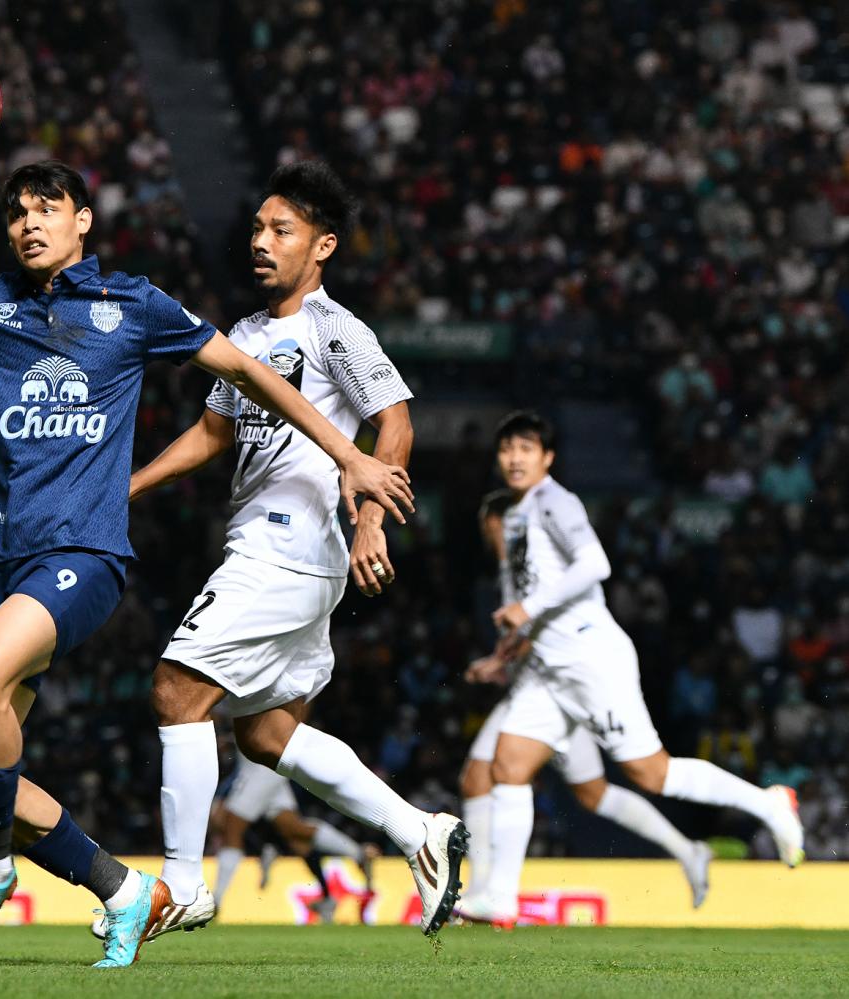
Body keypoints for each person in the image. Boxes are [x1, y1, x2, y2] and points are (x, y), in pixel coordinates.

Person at [0, 159, 413, 967]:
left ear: (83, 222)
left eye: (47, 208)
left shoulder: (132, 303)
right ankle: (122, 889)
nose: (29, 224)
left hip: (82, 554)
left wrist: (350, 455)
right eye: (16, 213)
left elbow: (245, 372)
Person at [130, 161, 466, 940]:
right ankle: (420, 831)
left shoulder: (334, 328)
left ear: (323, 246)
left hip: (288, 550)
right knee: (265, 734)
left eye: (281, 230)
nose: (262, 241)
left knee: (177, 689)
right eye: (257, 227)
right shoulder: (247, 335)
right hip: (273, 551)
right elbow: (213, 434)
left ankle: (184, 884)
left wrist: (373, 522)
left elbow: (396, 423)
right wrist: (131, 488)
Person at [463, 411, 804, 927]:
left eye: (526, 448)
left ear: (547, 458)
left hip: (590, 658)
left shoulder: (555, 501)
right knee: (507, 764)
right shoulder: (515, 516)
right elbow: (532, 604)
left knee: (653, 773)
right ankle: (500, 897)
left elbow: (595, 564)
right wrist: (503, 656)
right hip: (551, 672)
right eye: (508, 448)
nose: (514, 457)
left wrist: (527, 612)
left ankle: (770, 802)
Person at [457, 490, 711, 919]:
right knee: (592, 794)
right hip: (541, 690)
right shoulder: (511, 571)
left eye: (494, 528)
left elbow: (549, 626)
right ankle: (687, 849)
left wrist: (503, 659)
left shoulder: (532, 566)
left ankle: (486, 892)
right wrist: (497, 664)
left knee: (479, 777)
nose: (491, 538)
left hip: (553, 691)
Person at [212, 757, 376, 924]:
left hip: (261, 769)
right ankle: (355, 857)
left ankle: (215, 902)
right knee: (295, 832)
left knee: (230, 828)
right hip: (261, 768)